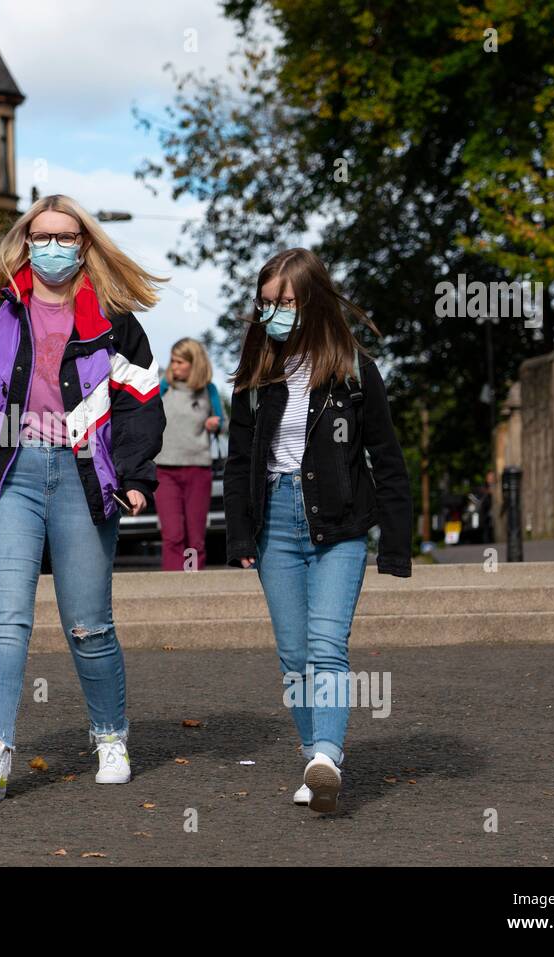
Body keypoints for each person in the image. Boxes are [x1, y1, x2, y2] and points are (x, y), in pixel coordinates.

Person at [0, 194, 166, 802]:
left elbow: (140, 405)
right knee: (3, 622)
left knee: (89, 625)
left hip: (84, 477)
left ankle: (110, 737)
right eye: (41, 235)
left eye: (66, 236)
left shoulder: (114, 319)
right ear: (25, 241)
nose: (53, 246)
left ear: (84, 246)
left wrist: (135, 477)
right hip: (7, 476)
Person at [223, 248, 412, 813]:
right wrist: (239, 536)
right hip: (273, 523)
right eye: (268, 302)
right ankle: (313, 758)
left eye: (288, 301)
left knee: (327, 646)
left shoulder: (354, 371)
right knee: (293, 654)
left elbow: (387, 457)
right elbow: (237, 464)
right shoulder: (256, 377)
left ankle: (327, 756)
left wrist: (395, 546)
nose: (276, 312)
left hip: (339, 526)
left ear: (315, 304)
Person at [155, 337, 224, 571]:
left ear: (195, 364)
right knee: (173, 534)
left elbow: (222, 422)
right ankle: (172, 591)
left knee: (195, 538)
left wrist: (216, 423)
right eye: (172, 361)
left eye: (180, 362)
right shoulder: (163, 386)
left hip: (197, 470)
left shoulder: (208, 390)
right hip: (165, 471)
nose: (174, 366)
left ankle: (192, 588)